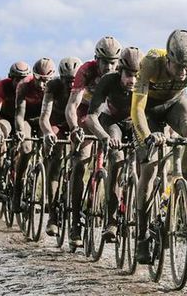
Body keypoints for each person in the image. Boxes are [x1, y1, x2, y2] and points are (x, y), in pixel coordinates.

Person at [130, 30, 187, 264]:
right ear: (167, 59)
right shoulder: (150, 63)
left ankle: (184, 197)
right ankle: (141, 236)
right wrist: (148, 136)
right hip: (147, 110)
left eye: (186, 67)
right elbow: (137, 109)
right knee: (148, 171)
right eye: (177, 66)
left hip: (175, 104)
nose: (182, 73)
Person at [65, 36, 122, 247]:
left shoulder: (120, 73)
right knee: (81, 161)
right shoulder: (86, 71)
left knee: (118, 158)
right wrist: (73, 128)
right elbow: (73, 104)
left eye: (113, 62)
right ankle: (75, 223)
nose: (108, 66)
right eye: (104, 61)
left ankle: (113, 218)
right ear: (96, 58)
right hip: (86, 114)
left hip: (108, 116)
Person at [85, 47, 143, 241]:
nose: (132, 81)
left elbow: (155, 114)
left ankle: (142, 216)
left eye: (137, 76)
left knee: (145, 159)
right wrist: (104, 137)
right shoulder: (108, 80)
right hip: (112, 122)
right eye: (128, 75)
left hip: (135, 122)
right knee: (117, 159)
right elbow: (91, 117)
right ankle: (111, 221)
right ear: (120, 70)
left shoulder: (145, 83)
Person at [40, 57, 82, 236]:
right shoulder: (53, 86)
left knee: (80, 163)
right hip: (57, 123)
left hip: (77, 124)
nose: (71, 84)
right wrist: (48, 133)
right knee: (55, 161)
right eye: (67, 80)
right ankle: (52, 216)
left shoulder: (85, 84)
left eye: (74, 80)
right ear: (60, 77)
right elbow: (44, 116)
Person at [0, 61, 31, 210]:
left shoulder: (30, 86)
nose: (20, 82)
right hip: (5, 118)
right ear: (11, 78)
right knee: (2, 132)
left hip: (24, 119)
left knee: (24, 146)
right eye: (17, 78)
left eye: (23, 78)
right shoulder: (2, 86)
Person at [12, 58, 55, 211]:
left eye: (46, 81)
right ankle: (17, 192)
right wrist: (19, 131)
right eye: (39, 80)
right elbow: (19, 114)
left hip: (45, 120)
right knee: (26, 149)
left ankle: (49, 197)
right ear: (33, 76)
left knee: (50, 152)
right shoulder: (24, 86)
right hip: (27, 120)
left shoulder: (53, 86)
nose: (43, 85)